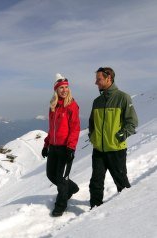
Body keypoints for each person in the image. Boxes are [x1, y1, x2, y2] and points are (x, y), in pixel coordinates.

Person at [88, 67, 138, 209]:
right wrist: (93, 136)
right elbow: (91, 123)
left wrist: (121, 136)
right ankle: (94, 208)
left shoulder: (123, 97)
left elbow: (132, 121)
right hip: (98, 149)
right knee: (96, 182)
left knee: (121, 181)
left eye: (99, 79)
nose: (95, 82)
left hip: (116, 149)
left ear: (108, 78)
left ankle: (127, 210)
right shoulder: (97, 101)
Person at [42, 73, 80, 217]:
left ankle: (61, 204)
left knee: (61, 178)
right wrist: (46, 145)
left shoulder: (72, 106)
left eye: (66, 87)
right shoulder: (54, 106)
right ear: (56, 90)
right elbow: (52, 129)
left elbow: (75, 128)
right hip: (54, 147)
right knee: (51, 175)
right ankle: (72, 188)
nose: (64, 90)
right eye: (61, 88)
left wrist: (71, 147)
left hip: (65, 148)